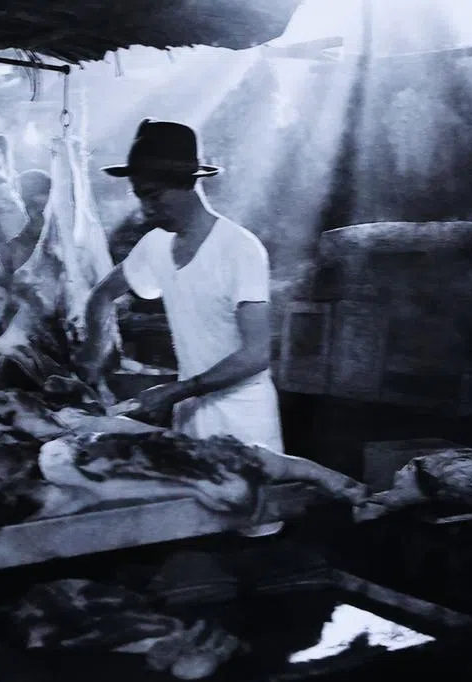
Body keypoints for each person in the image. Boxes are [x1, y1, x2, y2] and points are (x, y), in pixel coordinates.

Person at [83, 119, 285, 534]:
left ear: (187, 183)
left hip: (243, 419)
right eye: (139, 196)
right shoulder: (155, 245)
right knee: (192, 535)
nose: (145, 209)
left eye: (154, 195)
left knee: (253, 540)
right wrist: (94, 354)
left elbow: (256, 354)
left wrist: (176, 391)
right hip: (190, 419)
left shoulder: (240, 249)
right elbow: (102, 295)